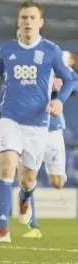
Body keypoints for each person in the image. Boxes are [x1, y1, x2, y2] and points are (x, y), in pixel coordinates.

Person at [0, 0, 78, 243]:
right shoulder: (6, 50)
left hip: (38, 124)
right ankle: (3, 231)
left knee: (29, 179)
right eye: (24, 18)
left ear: (40, 23)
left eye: (32, 18)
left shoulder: (51, 51)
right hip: (10, 119)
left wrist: (60, 100)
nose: (28, 22)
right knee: (6, 168)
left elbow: (70, 80)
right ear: (18, 22)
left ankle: (24, 199)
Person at [20, 53, 78, 239]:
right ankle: (33, 223)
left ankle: (27, 191)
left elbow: (74, 83)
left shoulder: (64, 73)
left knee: (58, 182)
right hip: (32, 129)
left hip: (53, 130)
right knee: (30, 177)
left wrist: (60, 91)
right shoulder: (31, 68)